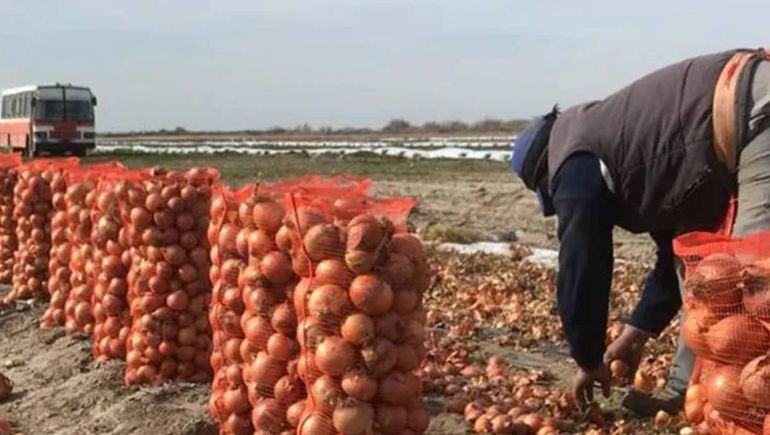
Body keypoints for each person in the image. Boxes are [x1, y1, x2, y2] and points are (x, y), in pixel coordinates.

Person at [511, 47, 770, 414]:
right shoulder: (630, 150)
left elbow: (583, 262)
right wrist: (638, 332)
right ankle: (687, 393)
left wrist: (587, 358)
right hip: (734, 122)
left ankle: (749, 413)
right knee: (704, 277)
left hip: (756, 111)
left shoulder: (570, 159)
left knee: (754, 277)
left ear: (544, 177)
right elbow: (673, 258)